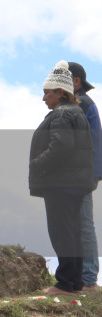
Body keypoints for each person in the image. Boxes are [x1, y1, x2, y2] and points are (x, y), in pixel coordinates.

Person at [30, 60, 96, 295]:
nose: (44, 98)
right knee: (73, 231)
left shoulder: (61, 115)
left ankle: (66, 283)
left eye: (47, 93)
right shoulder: (76, 111)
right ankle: (75, 282)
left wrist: (37, 164)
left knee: (62, 232)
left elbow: (60, 146)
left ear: (61, 92)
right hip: (74, 183)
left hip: (61, 183)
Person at [68, 62, 102, 291]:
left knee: (83, 224)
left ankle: (89, 279)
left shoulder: (83, 104)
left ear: (76, 81)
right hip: (80, 173)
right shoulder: (77, 104)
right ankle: (82, 277)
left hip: (81, 174)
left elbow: (92, 143)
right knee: (76, 225)